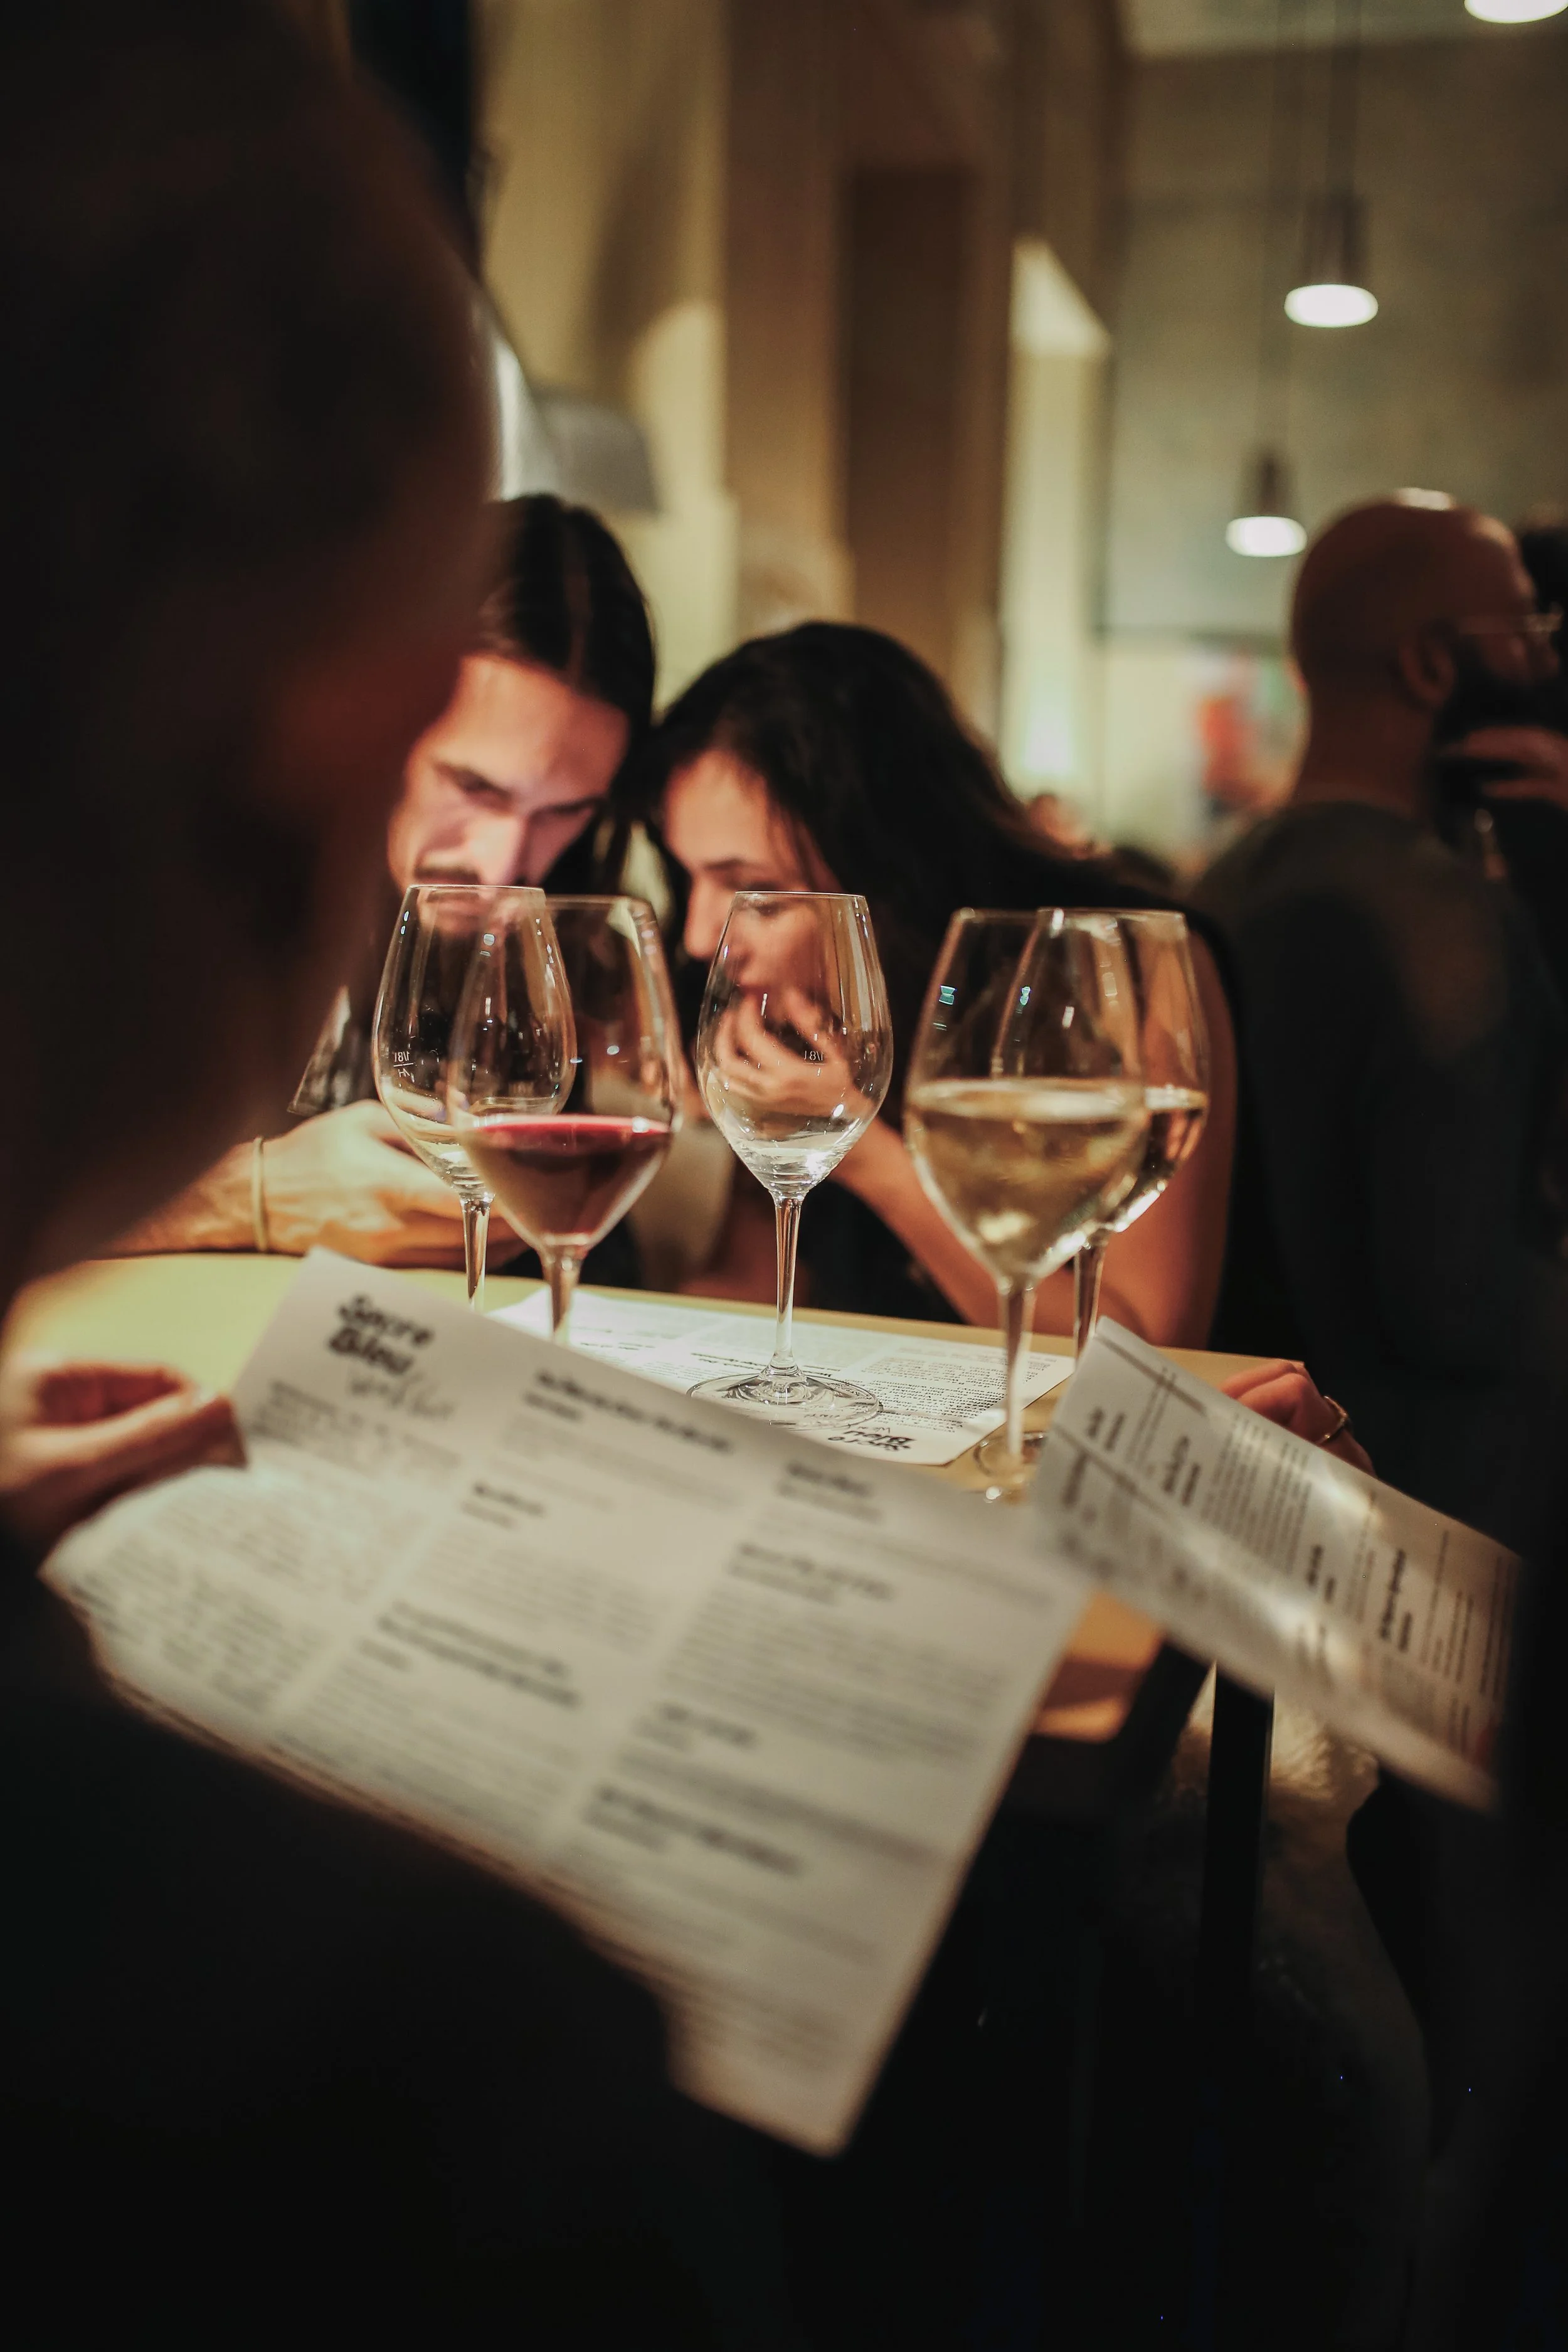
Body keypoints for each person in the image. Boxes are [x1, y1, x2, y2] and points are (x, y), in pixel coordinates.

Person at [0, 8, 768, 2342]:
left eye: (562, 827)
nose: (481, 865)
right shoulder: (400, 2078)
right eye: (444, 779)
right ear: (323, 729)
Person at [623, 621, 1239, 1345]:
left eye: (754, 886)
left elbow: (1143, 1344)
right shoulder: (806, 1003)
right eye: (688, 874)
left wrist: (863, 1153)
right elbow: (749, 1280)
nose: (700, 937)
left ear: (884, 865)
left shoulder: (1126, 964)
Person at [115, 491, 656, 1268]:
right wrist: (250, 1199)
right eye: (474, 786)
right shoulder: (182, 873)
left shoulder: (554, 941)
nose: (504, 863)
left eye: (564, 810)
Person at [1195, 492, 1568, 1544]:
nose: (1546, 662)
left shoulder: (1219, 887)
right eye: (1526, 630)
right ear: (1432, 666)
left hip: (1266, 1479)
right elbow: (1463, 1297)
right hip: (1439, 1512)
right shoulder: (1447, 913)